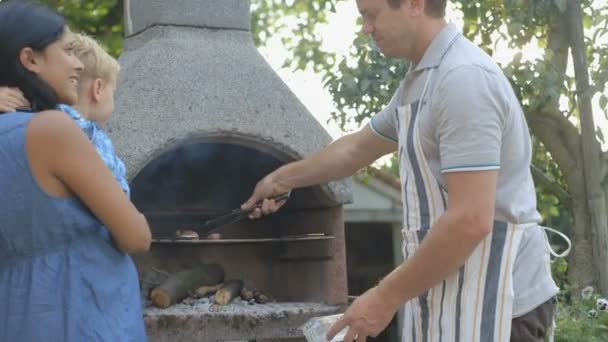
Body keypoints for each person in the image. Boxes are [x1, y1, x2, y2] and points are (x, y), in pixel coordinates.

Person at [241, 0, 560, 341]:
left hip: (500, 304)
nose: (366, 27)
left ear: (413, 4)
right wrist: (281, 179)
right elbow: (355, 149)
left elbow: (470, 220)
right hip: (455, 295)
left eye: (371, 14)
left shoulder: (463, 80)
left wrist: (384, 297)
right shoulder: (420, 83)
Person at [0, 1, 151, 341]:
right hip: (80, 316)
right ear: (30, 59)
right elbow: (136, 237)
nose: (78, 64)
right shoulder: (53, 129)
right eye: (68, 50)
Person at [0, 33, 129, 196]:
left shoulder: (31, 117)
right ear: (97, 89)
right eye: (113, 92)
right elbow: (117, 195)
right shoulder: (94, 139)